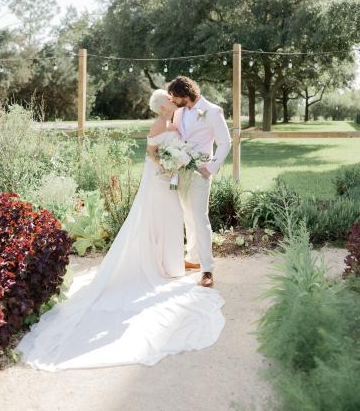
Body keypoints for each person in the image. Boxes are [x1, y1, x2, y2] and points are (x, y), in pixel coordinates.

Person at [14, 89, 225, 370]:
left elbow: (195, 142)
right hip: (161, 178)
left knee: (179, 219)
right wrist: (166, 163)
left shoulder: (184, 117)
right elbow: (151, 152)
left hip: (175, 178)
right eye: (169, 100)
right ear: (162, 105)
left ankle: (178, 262)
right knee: (167, 217)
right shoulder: (162, 123)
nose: (172, 102)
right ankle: (166, 263)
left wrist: (178, 161)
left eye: (174, 98)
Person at [168, 76, 232, 288]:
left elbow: (225, 143)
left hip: (200, 172)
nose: (172, 101)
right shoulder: (179, 112)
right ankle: (193, 258)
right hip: (181, 171)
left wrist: (211, 167)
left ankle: (207, 269)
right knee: (187, 216)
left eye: (175, 97)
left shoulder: (213, 111)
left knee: (200, 218)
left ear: (185, 96)